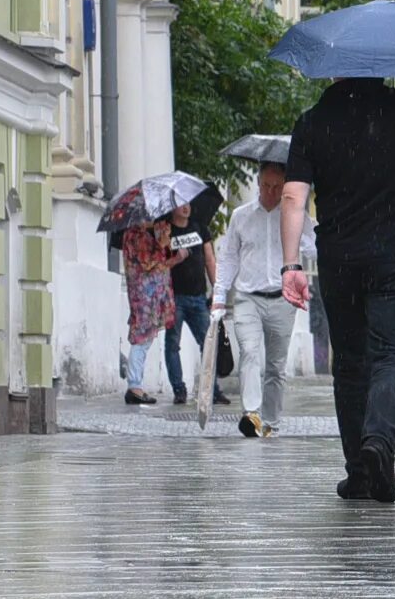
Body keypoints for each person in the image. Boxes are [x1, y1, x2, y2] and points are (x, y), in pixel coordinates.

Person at [280, 81, 395, 503]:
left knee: (351, 365)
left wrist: (291, 266)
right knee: (392, 356)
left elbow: (292, 197)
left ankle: (360, 471)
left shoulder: (313, 121)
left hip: (339, 261)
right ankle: (379, 442)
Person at [213, 163, 300, 439]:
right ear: (259, 184)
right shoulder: (241, 217)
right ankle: (251, 413)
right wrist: (218, 297)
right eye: (266, 185)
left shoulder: (294, 215)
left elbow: (312, 244)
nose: (271, 192)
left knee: (275, 366)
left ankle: (271, 422)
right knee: (249, 353)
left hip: (282, 299)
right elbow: (228, 258)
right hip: (248, 297)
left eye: (277, 186)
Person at [158, 197, 218, 410]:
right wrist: (176, 257)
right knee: (173, 344)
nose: (186, 207)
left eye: (188, 203)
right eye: (180, 203)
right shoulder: (165, 231)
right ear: (172, 208)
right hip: (174, 298)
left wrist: (217, 291)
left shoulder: (200, 229)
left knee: (209, 344)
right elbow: (160, 262)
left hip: (198, 297)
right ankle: (179, 389)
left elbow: (210, 260)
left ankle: (213, 389)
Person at [118, 213, 178, 406]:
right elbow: (148, 261)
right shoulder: (136, 234)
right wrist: (162, 243)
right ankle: (134, 385)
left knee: (145, 338)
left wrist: (164, 242)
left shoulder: (141, 233)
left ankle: (136, 384)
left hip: (147, 295)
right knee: (142, 338)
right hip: (145, 295)